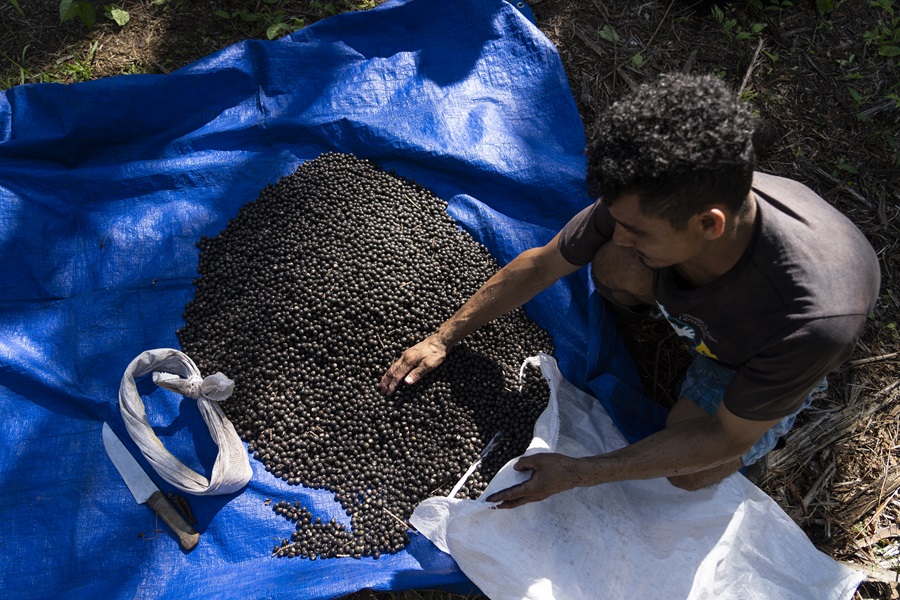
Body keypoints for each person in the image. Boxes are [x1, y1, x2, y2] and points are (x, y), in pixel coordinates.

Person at [380, 73, 881, 508]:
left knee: (692, 471)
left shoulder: (809, 322)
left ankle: (778, 401)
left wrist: (580, 472)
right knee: (613, 265)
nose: (618, 234)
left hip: (750, 355)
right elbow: (542, 266)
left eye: (637, 230)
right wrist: (444, 336)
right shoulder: (650, 196)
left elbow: (725, 436)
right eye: (615, 218)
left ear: (709, 224)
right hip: (709, 290)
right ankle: (673, 316)